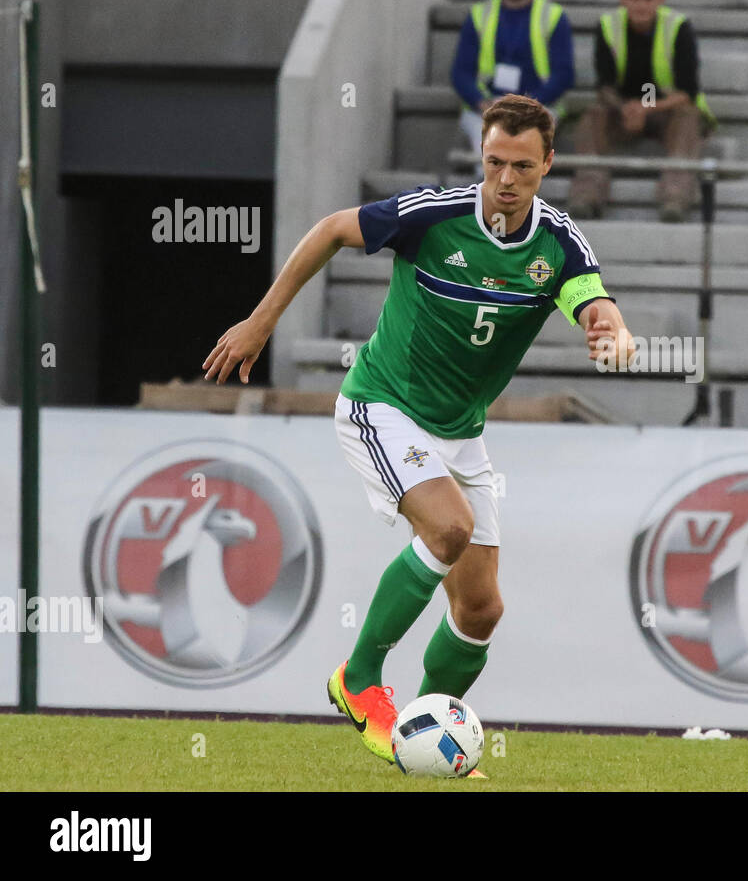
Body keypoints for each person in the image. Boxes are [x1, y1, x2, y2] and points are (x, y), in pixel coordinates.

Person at [201, 95, 634, 772]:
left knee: (482, 608)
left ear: (548, 163)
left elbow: (592, 298)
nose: (507, 180)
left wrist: (613, 328)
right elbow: (329, 230)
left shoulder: (558, 241)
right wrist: (261, 322)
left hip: (460, 434)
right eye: (495, 162)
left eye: (523, 166)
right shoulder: (431, 217)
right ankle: (360, 677)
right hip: (382, 406)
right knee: (449, 528)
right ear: (482, 158)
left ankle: (421, 742)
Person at [568, 0, 715, 223]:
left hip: (667, 110)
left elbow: (688, 91)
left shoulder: (679, 27)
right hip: (623, 110)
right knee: (593, 116)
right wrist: (625, 108)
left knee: (689, 117)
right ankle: (587, 196)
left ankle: (674, 198)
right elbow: (604, 86)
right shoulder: (607, 26)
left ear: (661, 0)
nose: (641, 5)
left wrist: (645, 109)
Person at [451, 0, 575, 156]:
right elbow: (461, 72)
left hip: (538, 106)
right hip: (486, 108)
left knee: (524, 153)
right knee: (490, 154)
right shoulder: (479, 15)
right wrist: (483, 104)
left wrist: (526, 105)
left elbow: (564, 74)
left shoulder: (553, 16)